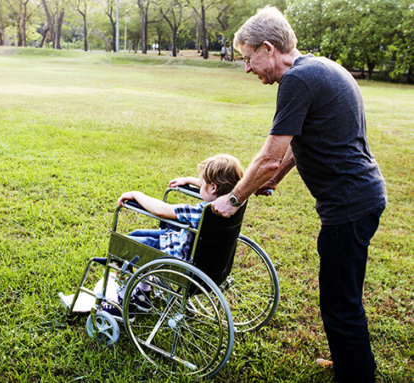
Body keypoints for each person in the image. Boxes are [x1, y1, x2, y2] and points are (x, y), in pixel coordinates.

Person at [211, 6, 387, 383]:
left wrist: (234, 199)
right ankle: (350, 362)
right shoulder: (320, 67)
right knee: (343, 295)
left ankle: (357, 375)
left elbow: (269, 156)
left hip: (349, 205)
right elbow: (295, 145)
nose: (247, 68)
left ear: (269, 48)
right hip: (363, 197)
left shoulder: (297, 81)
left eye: (248, 58)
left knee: (340, 304)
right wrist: (276, 179)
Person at [103, 154, 244, 317]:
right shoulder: (234, 205)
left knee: (123, 248)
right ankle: (143, 295)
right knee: (135, 235)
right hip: (200, 259)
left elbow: (161, 211)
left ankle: (123, 303)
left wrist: (135, 194)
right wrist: (190, 180)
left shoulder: (202, 212)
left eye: (201, 183)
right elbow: (212, 187)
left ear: (213, 188)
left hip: (176, 259)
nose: (199, 186)